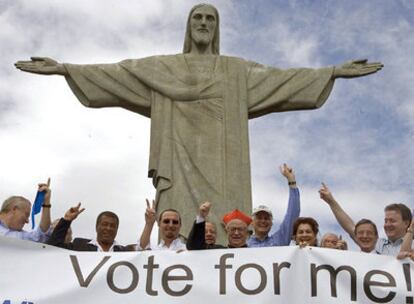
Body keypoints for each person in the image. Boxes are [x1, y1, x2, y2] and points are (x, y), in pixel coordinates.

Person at [14, 4, 383, 244]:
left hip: (225, 162)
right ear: (189, 27)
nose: (204, 23)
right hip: (177, 156)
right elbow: (119, 73)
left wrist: (331, 72)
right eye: (198, 18)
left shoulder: (236, 72)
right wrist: (65, 68)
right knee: (176, 223)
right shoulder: (163, 68)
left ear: (216, 28)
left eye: (210, 19)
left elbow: (282, 80)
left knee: (227, 223)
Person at [248, 163, 299, 247]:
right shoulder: (243, 245)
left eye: (266, 218)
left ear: (271, 223)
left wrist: (291, 181)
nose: (263, 221)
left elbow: (292, 215)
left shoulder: (280, 240)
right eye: (259, 218)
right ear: (252, 223)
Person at [319, 183, 379, 253]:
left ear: (376, 237)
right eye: (360, 233)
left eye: (369, 233)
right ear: (355, 237)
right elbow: (349, 225)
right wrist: (331, 201)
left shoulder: (386, 250)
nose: (365, 236)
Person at [48, 203, 133, 251]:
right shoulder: (79, 245)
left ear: (117, 230)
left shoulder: (124, 252)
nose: (108, 228)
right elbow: (53, 247)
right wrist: (66, 220)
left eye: (112, 226)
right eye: (104, 224)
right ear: (97, 227)